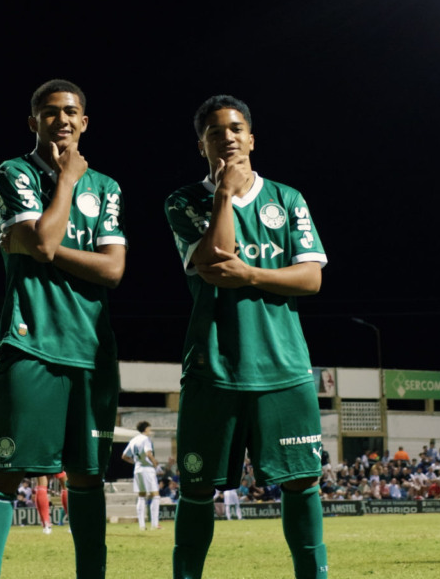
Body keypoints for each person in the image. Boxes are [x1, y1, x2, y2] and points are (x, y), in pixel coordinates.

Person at [165, 95, 329, 579]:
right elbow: (216, 263)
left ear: (251, 138)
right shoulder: (183, 201)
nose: (228, 137)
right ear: (202, 145)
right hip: (214, 368)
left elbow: (311, 279)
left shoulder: (288, 198)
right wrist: (222, 196)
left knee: (302, 483)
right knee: (197, 489)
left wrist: (253, 275)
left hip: (284, 368)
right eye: (215, 131)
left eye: (236, 128)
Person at [0, 79, 126, 579]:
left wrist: (44, 245)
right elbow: (41, 245)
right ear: (33, 120)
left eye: (71, 112)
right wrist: (65, 181)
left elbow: (113, 271)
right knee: (6, 471)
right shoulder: (13, 173)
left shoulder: (106, 188)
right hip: (29, 339)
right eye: (50, 111)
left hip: (91, 347)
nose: (62, 119)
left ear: (84, 122)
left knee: (86, 475)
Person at [122, 421, 161, 530]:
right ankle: (154, 524)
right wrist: (155, 464)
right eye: (149, 428)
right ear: (146, 429)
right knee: (156, 496)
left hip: (138, 469)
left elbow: (124, 456)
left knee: (142, 496)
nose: (150, 430)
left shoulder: (133, 440)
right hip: (147, 469)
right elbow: (148, 453)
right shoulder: (145, 439)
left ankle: (142, 525)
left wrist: (135, 462)